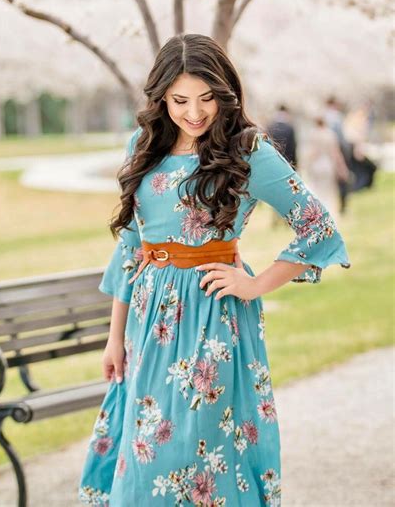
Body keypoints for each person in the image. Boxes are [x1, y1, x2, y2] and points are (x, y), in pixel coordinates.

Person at [78, 34, 351, 506]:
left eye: (207, 99)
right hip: (147, 325)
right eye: (180, 100)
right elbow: (130, 247)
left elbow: (318, 227)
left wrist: (255, 283)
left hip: (212, 319)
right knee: (145, 456)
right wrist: (114, 336)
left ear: (224, 93)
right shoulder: (141, 146)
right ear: (160, 97)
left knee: (199, 451)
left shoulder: (247, 150)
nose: (195, 112)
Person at [304, 116, 351, 221]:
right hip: (328, 164)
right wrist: (342, 168)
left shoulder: (313, 134)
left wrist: (307, 165)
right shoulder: (330, 134)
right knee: (329, 191)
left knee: (317, 190)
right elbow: (336, 153)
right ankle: (330, 213)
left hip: (316, 165)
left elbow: (312, 152)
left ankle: (318, 213)